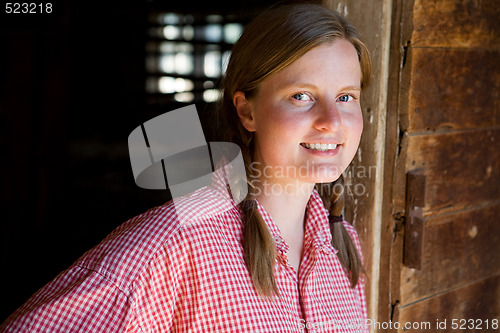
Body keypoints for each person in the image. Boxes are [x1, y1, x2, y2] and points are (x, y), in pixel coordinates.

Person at [0, 3, 371, 332]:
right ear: (247, 110)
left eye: (345, 97)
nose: (331, 120)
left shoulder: (344, 249)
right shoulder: (172, 243)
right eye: (301, 96)